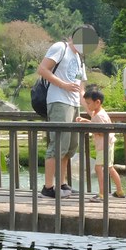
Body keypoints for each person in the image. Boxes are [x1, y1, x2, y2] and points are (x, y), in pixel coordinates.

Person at [37, 28, 86, 198]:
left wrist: (92, 111)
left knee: (70, 147)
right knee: (57, 145)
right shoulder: (61, 47)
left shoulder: (80, 59)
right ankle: (48, 187)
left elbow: (80, 89)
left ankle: (62, 183)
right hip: (59, 101)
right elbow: (43, 69)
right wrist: (63, 85)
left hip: (73, 104)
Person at [77, 89, 125, 201]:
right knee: (110, 168)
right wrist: (86, 121)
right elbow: (98, 126)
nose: (87, 106)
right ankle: (119, 191)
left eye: (88, 103)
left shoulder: (99, 116)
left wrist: (89, 127)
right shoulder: (98, 113)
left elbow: (101, 130)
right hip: (106, 145)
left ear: (97, 102)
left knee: (99, 168)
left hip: (104, 146)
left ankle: (102, 194)